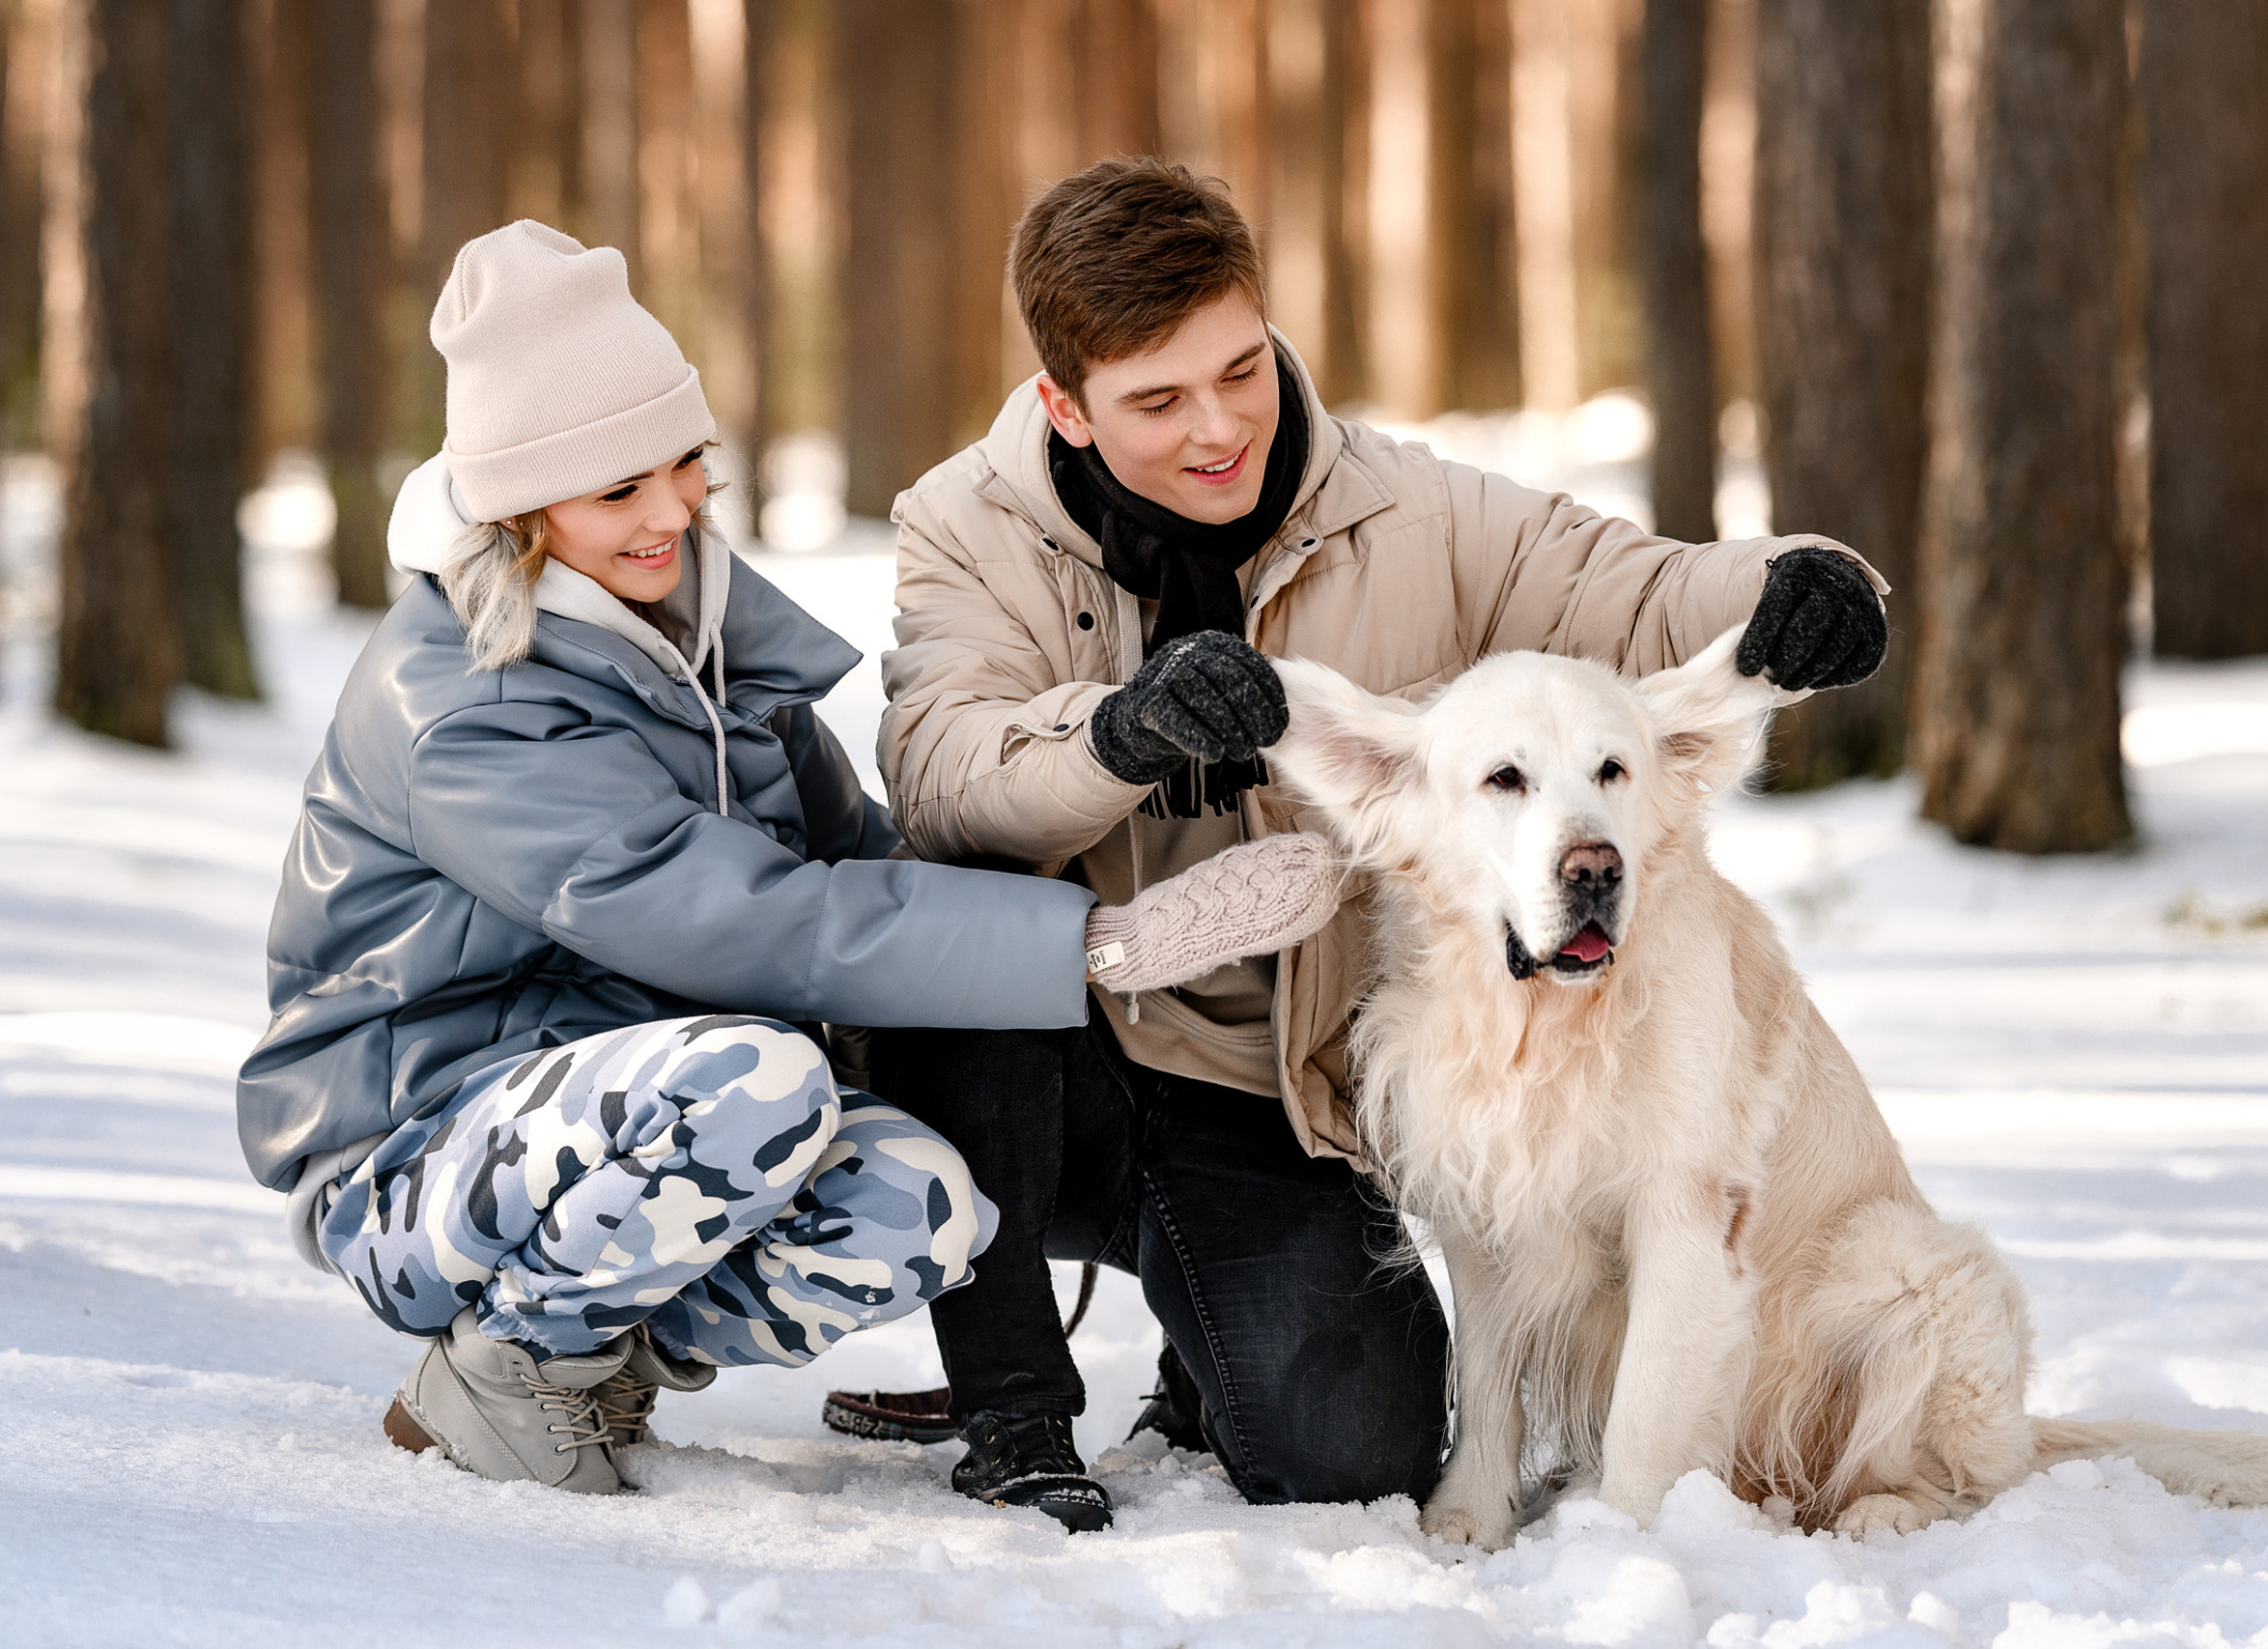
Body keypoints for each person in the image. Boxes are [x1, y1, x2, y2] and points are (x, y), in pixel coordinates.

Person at [236, 219, 1344, 1504]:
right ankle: (510, 1363)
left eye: (684, 466)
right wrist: (1108, 946)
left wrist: (1063, 936)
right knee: (757, 1081)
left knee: (922, 1203)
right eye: (618, 492)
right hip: (416, 1152)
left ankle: (610, 1351)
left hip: (634, 1113)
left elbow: (858, 855)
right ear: (519, 508)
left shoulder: (691, 636)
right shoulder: (465, 707)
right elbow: (746, 921)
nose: (672, 514)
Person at [871, 158, 1890, 1530]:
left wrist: (1795, 587)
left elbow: (1630, 586)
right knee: (954, 927)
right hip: (1059, 1068)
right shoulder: (964, 527)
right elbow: (943, 773)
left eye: (1241, 370)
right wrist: (1118, 733)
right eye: (1158, 403)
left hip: (1265, 1087)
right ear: (1066, 406)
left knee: (1357, 1449)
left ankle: (1207, 1340)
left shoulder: (1412, 511)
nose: (1219, 428)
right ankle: (1013, 1413)